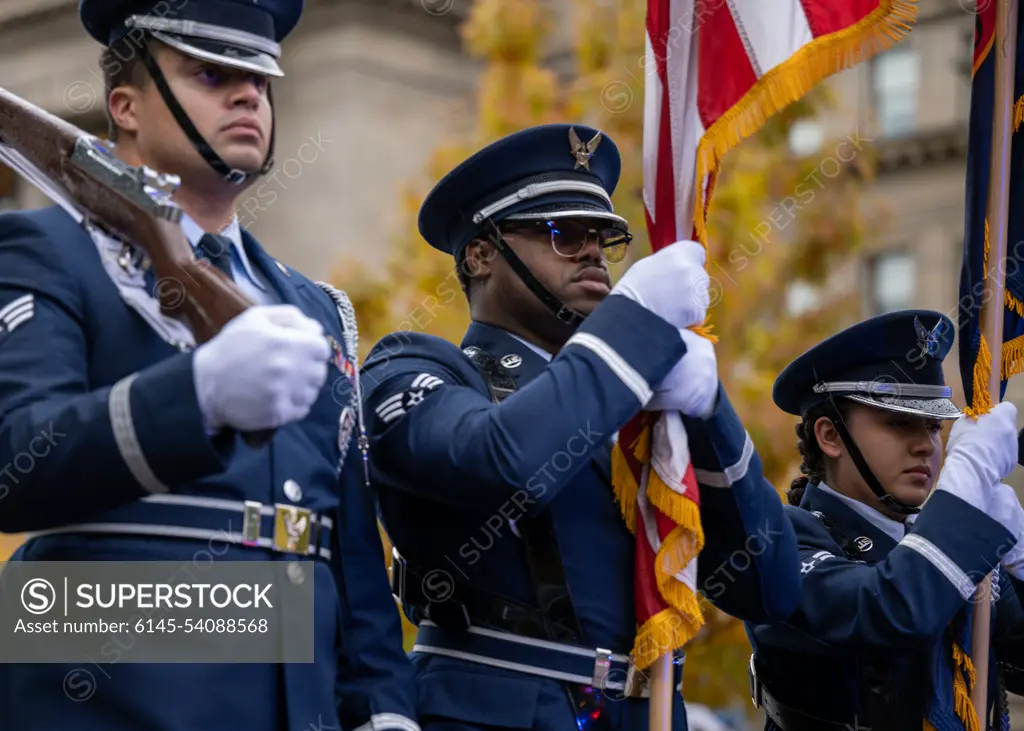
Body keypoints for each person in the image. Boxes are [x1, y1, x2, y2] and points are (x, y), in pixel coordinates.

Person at [0, 1, 418, 730]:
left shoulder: (316, 308)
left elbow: (343, 542)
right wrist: (195, 397)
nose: (249, 94)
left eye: (259, 79)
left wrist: (381, 706)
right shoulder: (45, 251)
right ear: (123, 107)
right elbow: (17, 460)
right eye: (211, 74)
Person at [360, 123, 802, 731]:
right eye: (563, 234)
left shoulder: (636, 402)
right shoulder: (414, 367)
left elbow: (770, 587)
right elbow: (503, 461)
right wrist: (631, 330)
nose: (593, 252)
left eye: (603, 237)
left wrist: (709, 411)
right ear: (481, 254)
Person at [746, 309, 1024, 730]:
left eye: (933, 427)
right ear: (831, 435)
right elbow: (892, 608)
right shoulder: (776, 540)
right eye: (899, 423)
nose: (926, 447)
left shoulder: (947, 544)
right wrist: (963, 494)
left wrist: (1021, 563)